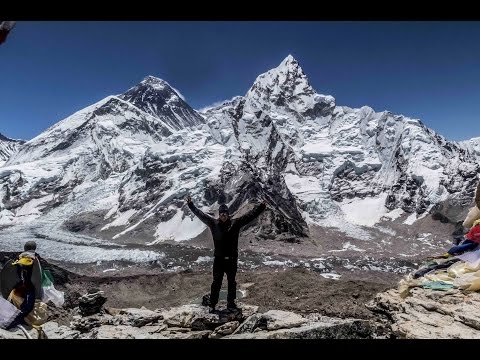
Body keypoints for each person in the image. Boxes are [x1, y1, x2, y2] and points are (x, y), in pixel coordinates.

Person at [186, 196, 266, 312]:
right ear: (219, 214)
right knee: (216, 282)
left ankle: (231, 303)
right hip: (219, 259)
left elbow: (249, 216)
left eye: (225, 213)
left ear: (228, 214)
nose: (223, 215)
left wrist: (261, 207)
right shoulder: (213, 224)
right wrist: (191, 205)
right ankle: (213, 304)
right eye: (221, 213)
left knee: (231, 282)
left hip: (232, 259)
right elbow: (201, 215)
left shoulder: (235, 223)